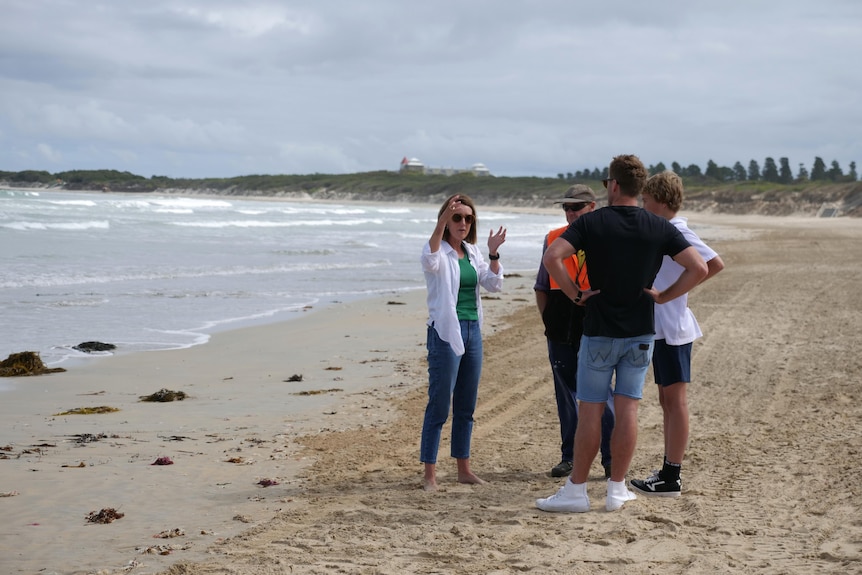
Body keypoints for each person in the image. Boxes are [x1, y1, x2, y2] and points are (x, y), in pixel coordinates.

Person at [535, 154, 708, 513]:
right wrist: (663, 296)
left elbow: (553, 256)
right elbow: (700, 267)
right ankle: (616, 490)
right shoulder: (657, 226)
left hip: (599, 331)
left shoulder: (593, 222)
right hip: (641, 332)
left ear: (613, 185)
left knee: (591, 412)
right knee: (628, 407)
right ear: (639, 188)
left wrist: (575, 294)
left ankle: (576, 492)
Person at [630, 170, 725, 498]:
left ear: (660, 201)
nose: (642, 204)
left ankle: (671, 475)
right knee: (667, 401)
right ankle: (669, 472)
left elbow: (712, 264)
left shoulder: (676, 230)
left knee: (675, 402)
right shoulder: (663, 231)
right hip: (664, 329)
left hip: (672, 329)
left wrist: (668, 295)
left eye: (646, 199)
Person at [420, 193, 507, 491]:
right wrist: (442, 219)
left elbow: (494, 284)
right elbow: (429, 261)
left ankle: (463, 469)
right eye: (457, 217)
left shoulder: (471, 252)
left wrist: (493, 253)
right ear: (446, 221)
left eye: (468, 218)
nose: (463, 223)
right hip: (446, 333)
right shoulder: (438, 250)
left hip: (473, 332)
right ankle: (429, 474)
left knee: (466, 406)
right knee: (439, 405)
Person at [534, 184, 615, 479]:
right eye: (566, 208)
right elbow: (541, 286)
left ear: (592, 207)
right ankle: (568, 456)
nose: (570, 213)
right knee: (566, 394)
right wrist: (548, 321)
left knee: (602, 392)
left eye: (576, 207)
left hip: (596, 322)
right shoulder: (553, 239)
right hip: (559, 323)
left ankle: (610, 459)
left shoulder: (607, 237)